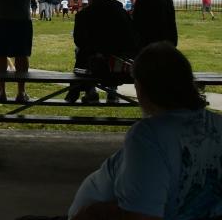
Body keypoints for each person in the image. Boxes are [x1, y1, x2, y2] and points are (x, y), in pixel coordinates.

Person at [67, 43, 222, 220]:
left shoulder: (149, 136)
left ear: (143, 89)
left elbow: (141, 215)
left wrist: (94, 212)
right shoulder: (217, 125)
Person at [66, 0, 140, 104]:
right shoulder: (121, 12)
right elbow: (131, 38)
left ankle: (90, 91)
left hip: (93, 61)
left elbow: (79, 41)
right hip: (119, 62)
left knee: (81, 53)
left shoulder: (83, 15)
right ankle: (112, 91)